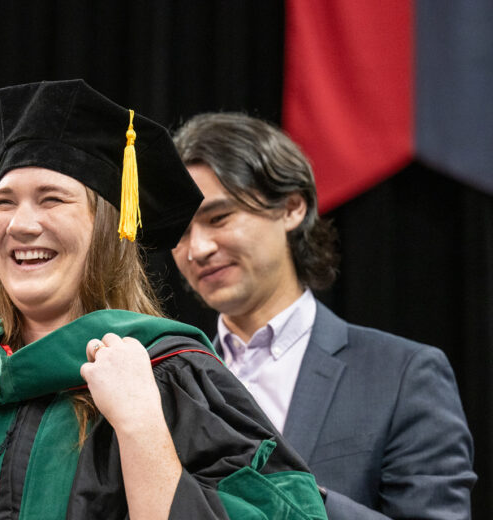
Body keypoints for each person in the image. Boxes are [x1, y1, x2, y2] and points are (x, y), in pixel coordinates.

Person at [0, 80, 327, 520]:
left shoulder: (175, 382)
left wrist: (142, 428)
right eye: (3, 203)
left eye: (52, 199)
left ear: (109, 230)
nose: (22, 224)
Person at [171, 112, 476, 519]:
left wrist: (294, 498)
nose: (198, 249)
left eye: (219, 218)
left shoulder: (402, 374)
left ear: (292, 208)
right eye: (180, 233)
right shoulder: (169, 378)